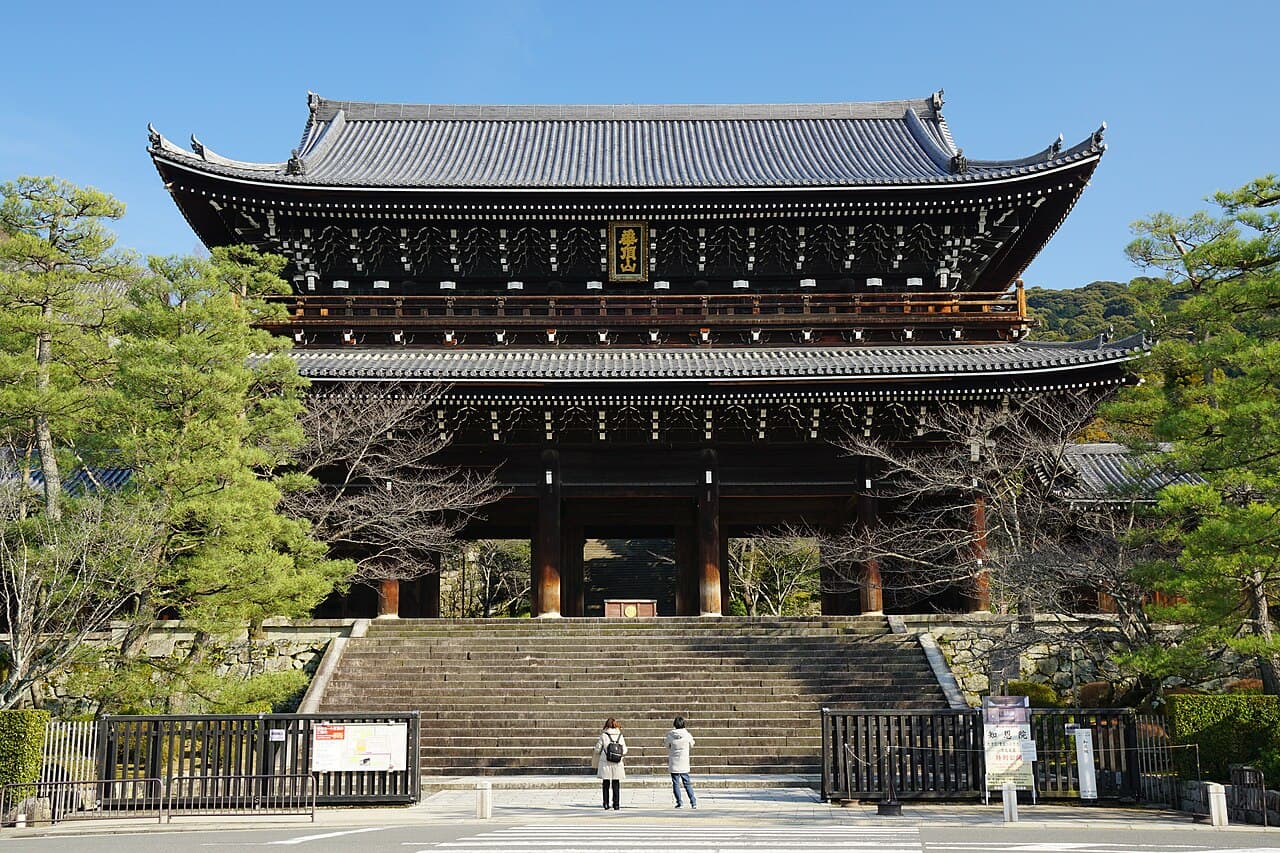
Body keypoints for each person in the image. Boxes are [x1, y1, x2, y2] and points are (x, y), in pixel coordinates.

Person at [593, 717, 627, 810]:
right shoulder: (620, 735)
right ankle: (616, 804)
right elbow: (625, 750)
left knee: (606, 783)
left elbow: (597, 749)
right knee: (616, 783)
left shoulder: (604, 735)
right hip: (617, 762)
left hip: (606, 762)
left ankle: (606, 803)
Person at [665, 715, 697, 809]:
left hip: (674, 762)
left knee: (675, 783)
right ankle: (693, 802)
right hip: (684, 762)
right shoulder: (687, 735)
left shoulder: (670, 735)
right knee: (687, 782)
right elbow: (693, 744)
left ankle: (679, 802)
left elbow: (666, 745)